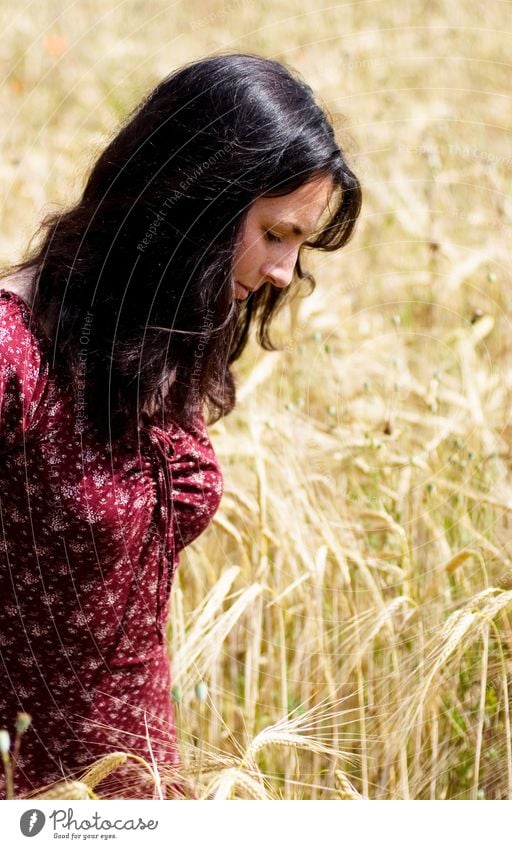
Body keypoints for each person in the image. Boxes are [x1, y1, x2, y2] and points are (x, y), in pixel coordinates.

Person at [0, 52, 362, 799]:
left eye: (300, 242)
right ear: (198, 201)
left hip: (141, 789)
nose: (285, 272)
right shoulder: (13, 350)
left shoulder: (155, 338)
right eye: (275, 233)